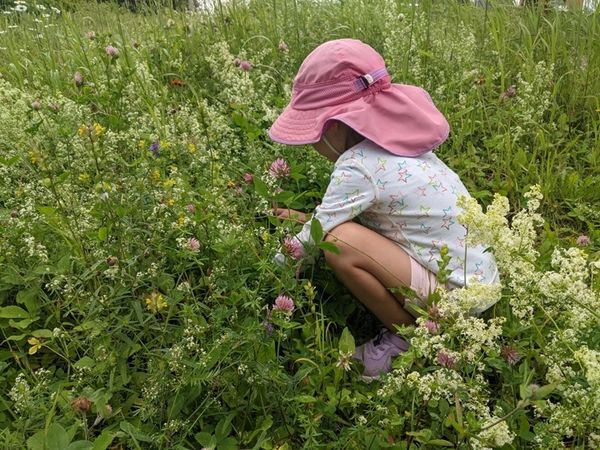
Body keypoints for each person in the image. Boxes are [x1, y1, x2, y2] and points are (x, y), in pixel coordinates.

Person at [268, 39, 499, 380]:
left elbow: (317, 237)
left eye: (313, 133)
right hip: (480, 283)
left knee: (339, 240)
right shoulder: (400, 143)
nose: (313, 145)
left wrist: (270, 268)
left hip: (453, 300)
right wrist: (311, 219)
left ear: (333, 125)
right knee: (334, 228)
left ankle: (411, 339)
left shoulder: (356, 167)